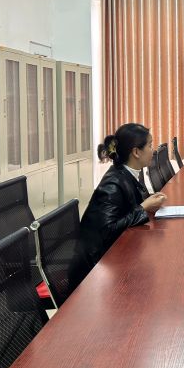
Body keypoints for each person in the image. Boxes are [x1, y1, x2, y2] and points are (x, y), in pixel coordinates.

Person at [71, 123, 167, 287]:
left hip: (111, 261)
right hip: (96, 272)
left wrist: (147, 204)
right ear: (136, 152)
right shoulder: (113, 185)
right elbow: (108, 231)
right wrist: (143, 208)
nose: (153, 150)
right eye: (150, 146)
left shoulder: (126, 173)